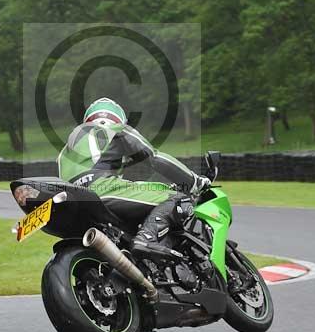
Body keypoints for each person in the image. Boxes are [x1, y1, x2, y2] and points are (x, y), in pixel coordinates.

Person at [58, 98, 210, 259]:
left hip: (72, 200)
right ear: (118, 118)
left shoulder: (66, 149)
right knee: (177, 199)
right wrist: (194, 181)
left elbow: (126, 183)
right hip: (101, 189)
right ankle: (146, 238)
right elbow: (154, 158)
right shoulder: (116, 128)